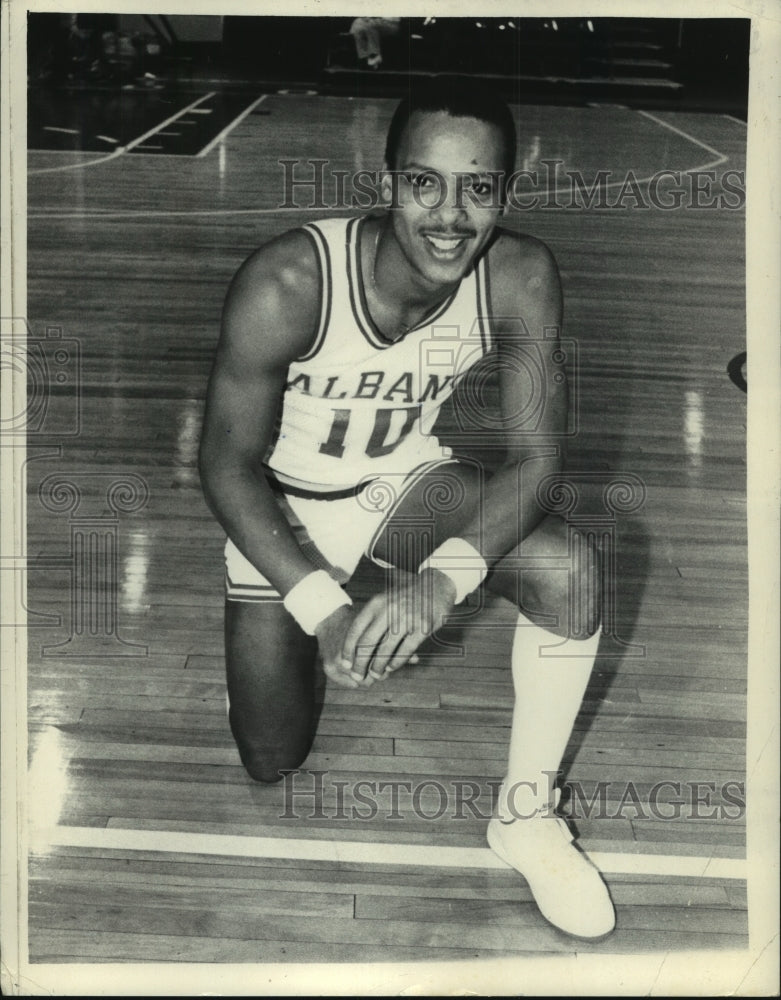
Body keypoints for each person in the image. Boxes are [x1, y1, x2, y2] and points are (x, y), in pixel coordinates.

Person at [199, 76, 616, 940]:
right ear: (387, 181)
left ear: (505, 191)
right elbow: (226, 465)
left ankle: (526, 818)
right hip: (284, 508)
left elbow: (538, 459)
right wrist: (322, 609)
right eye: (425, 182)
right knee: (271, 758)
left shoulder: (518, 274)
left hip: (398, 483)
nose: (450, 215)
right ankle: (273, 638)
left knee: (569, 570)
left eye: (477, 187)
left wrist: (441, 583)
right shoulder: (288, 280)